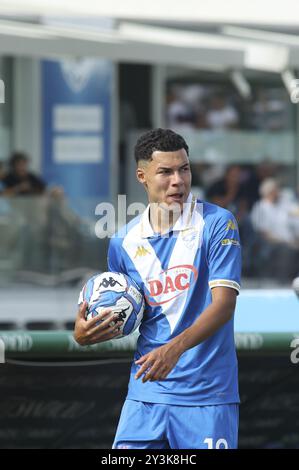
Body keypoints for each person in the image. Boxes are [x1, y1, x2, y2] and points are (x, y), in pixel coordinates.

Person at [74, 128, 241, 449]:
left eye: (184, 169)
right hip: (146, 394)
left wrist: (174, 349)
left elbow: (224, 306)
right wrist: (84, 334)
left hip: (207, 396)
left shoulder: (218, 223)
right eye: (165, 171)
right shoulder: (122, 242)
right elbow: (125, 313)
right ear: (142, 176)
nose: (178, 180)